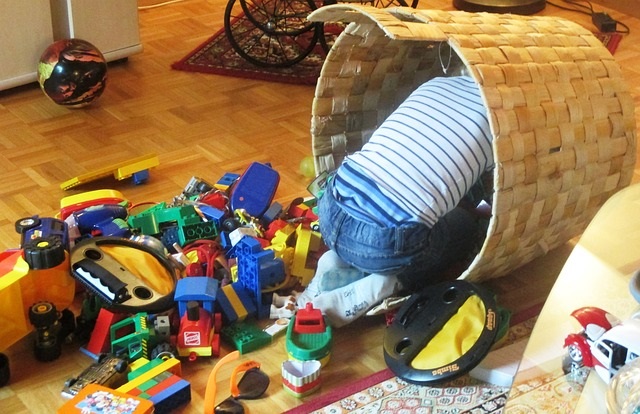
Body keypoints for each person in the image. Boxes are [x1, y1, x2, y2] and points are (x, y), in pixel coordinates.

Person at [296, 75, 494, 327]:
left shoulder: (437, 82)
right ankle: (391, 280)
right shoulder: (501, 124)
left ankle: (336, 259)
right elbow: (497, 197)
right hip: (383, 242)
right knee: (463, 227)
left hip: (331, 208)